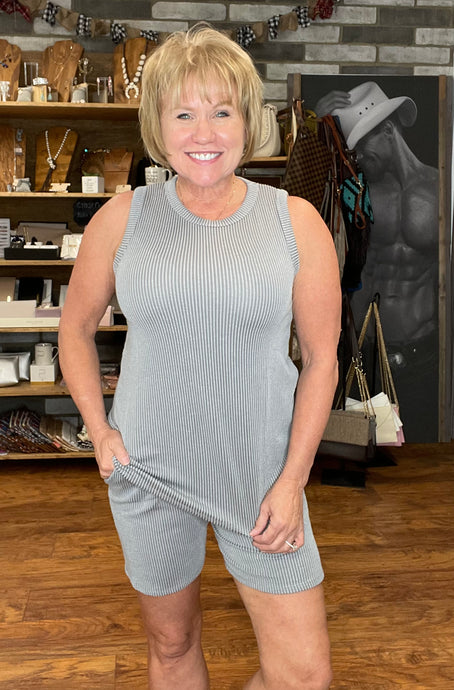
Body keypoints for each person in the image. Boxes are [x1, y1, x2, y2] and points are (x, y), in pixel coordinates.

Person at [59, 25, 341, 690]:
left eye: (222, 111)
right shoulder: (122, 218)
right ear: (159, 126)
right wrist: (100, 431)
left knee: (304, 675)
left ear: (248, 121)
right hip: (149, 467)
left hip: (259, 477)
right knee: (172, 641)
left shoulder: (295, 221)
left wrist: (292, 480)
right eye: (183, 114)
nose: (204, 133)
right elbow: (75, 330)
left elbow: (321, 361)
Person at [316, 81, 439, 442]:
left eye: (361, 145)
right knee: (362, 457)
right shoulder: (358, 190)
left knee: (423, 457)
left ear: (387, 129)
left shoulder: (441, 187)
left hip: (423, 352)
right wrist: (318, 128)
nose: (357, 156)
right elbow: (304, 200)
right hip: (365, 354)